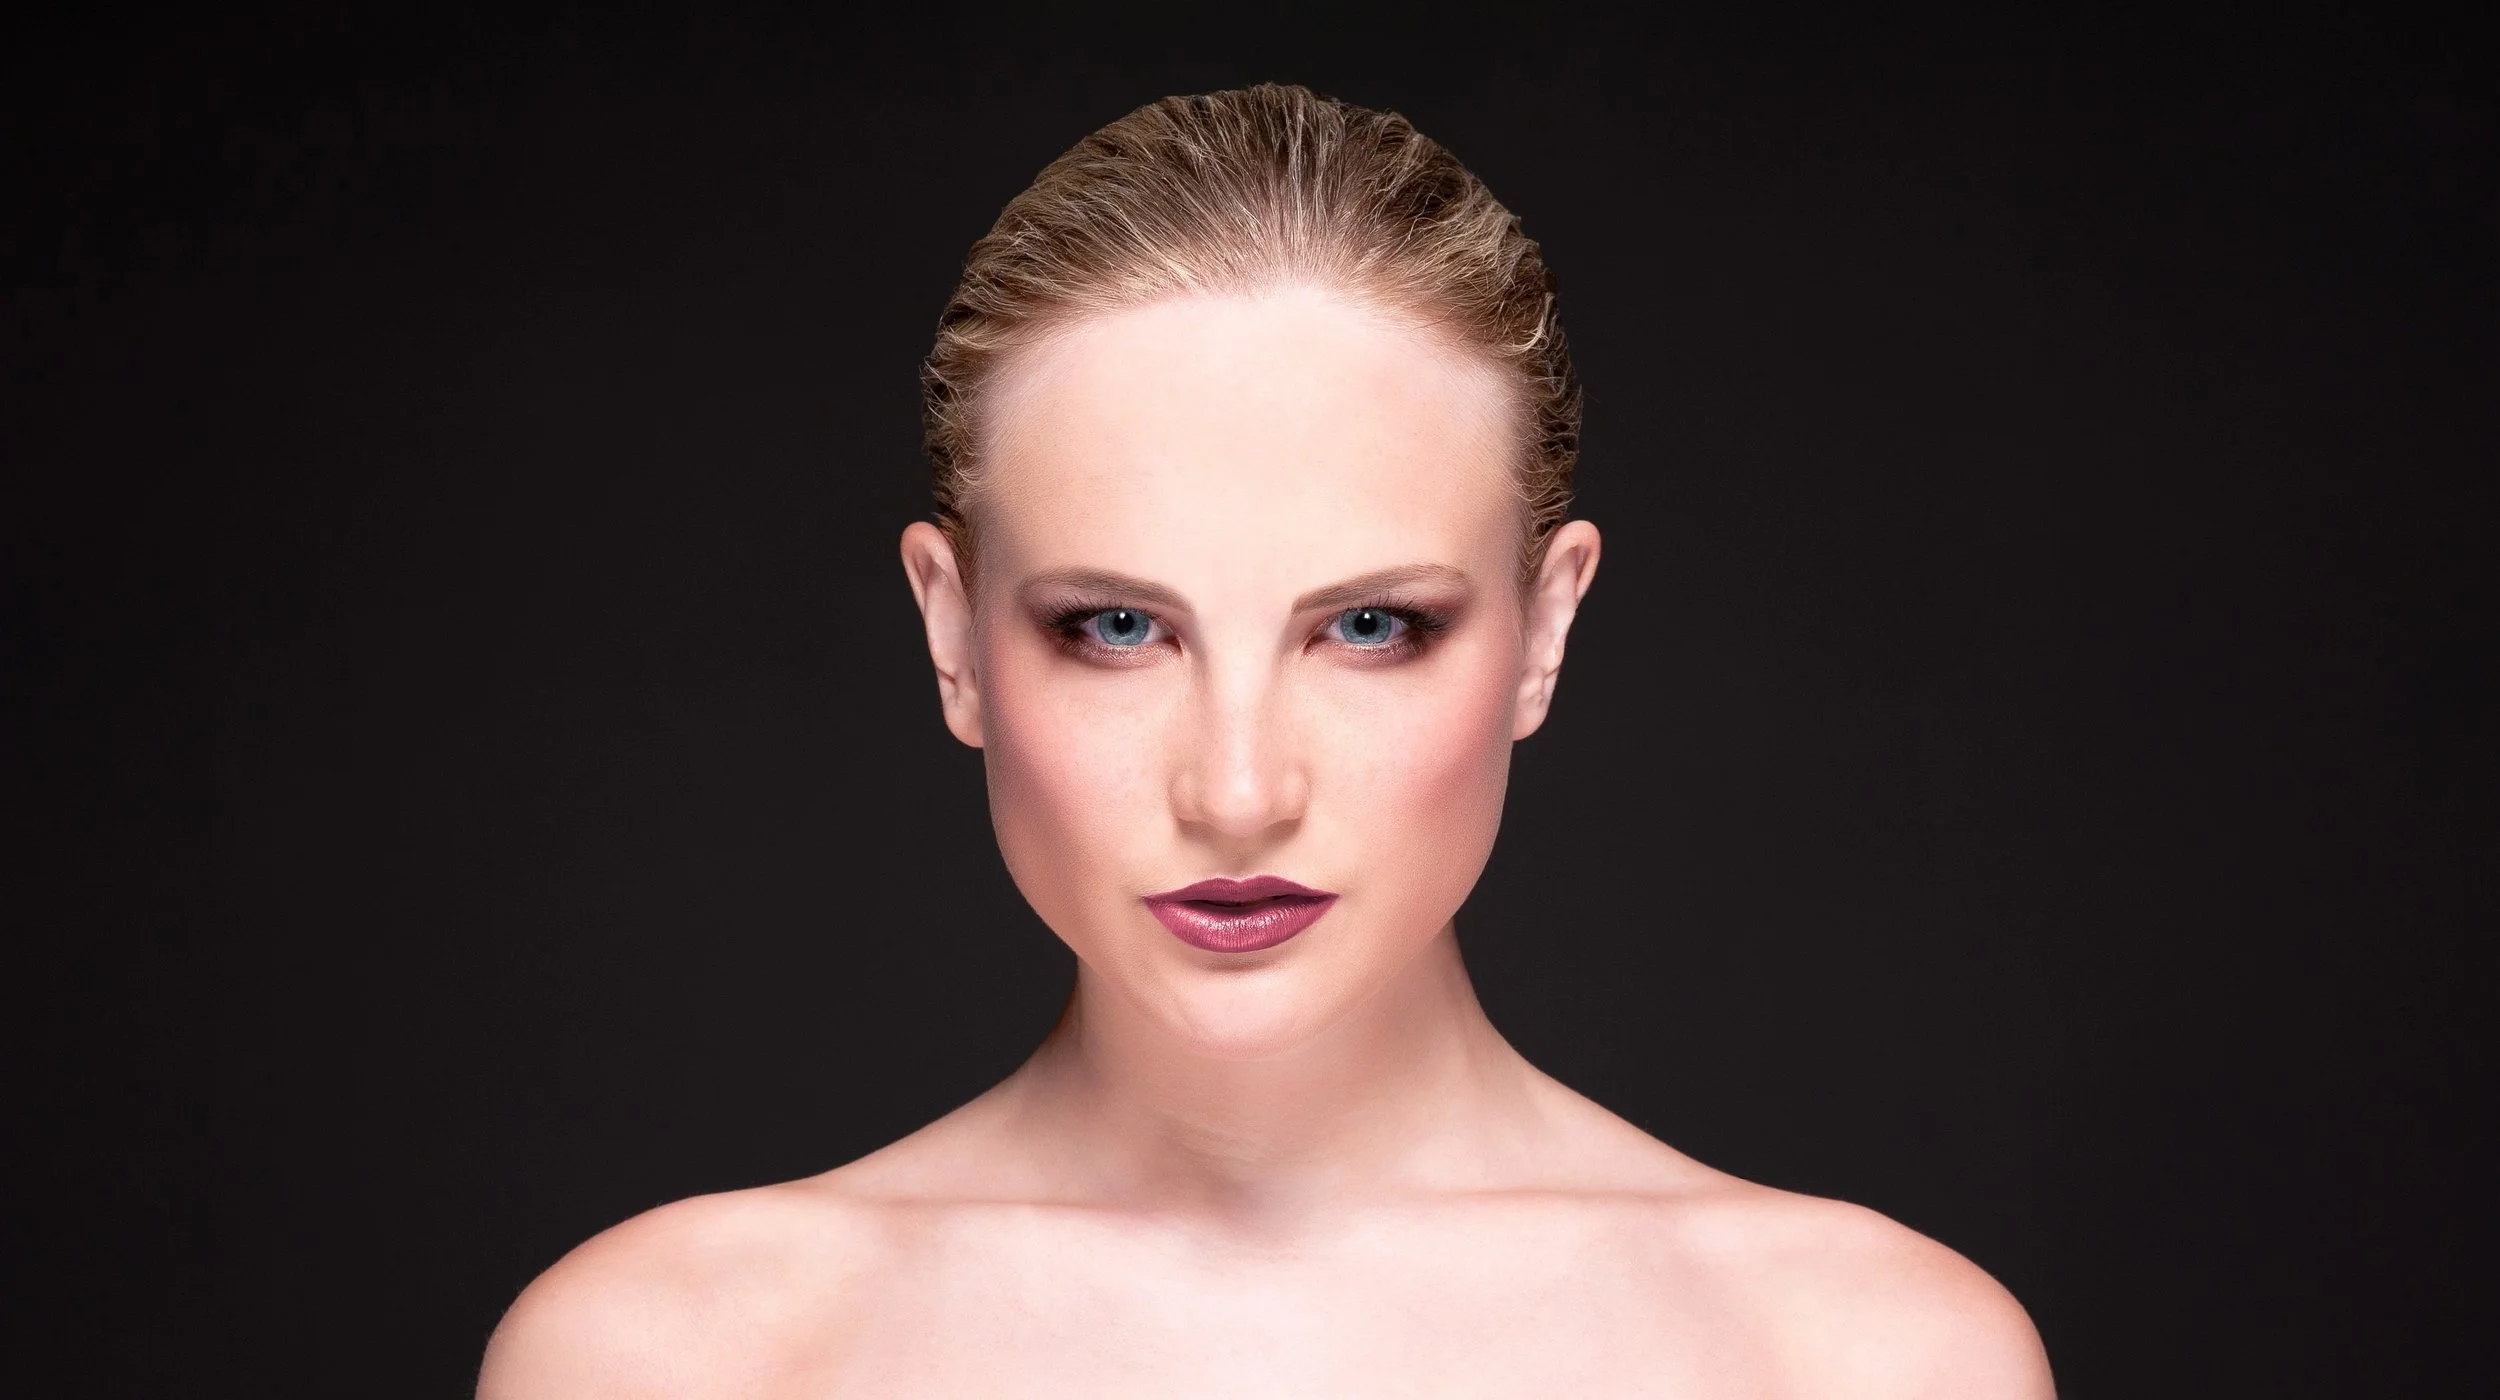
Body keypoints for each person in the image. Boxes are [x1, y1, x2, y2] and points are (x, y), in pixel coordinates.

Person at [478, 84, 2053, 1397]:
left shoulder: (1864, 1362)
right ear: (953, 636)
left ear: (1545, 628)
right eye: (1116, 627)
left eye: (1370, 627)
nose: (1239, 793)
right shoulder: (671, 1360)